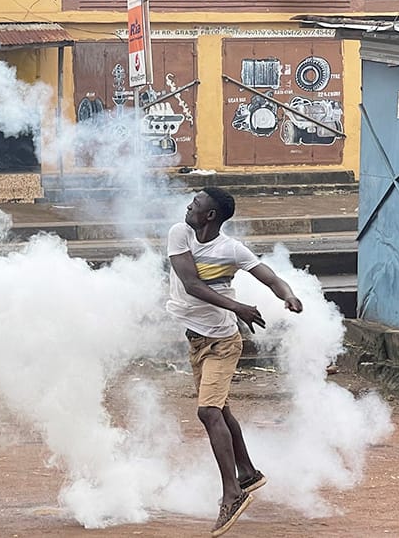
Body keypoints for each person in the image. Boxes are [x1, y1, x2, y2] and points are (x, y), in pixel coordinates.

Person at [166, 187, 303, 537]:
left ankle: (232, 493)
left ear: (210, 215)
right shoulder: (179, 233)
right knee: (221, 412)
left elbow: (269, 276)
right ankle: (248, 473)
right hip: (196, 341)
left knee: (208, 412)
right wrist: (239, 307)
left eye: (195, 204)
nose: (188, 206)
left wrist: (288, 295)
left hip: (223, 343)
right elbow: (191, 283)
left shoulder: (230, 249)